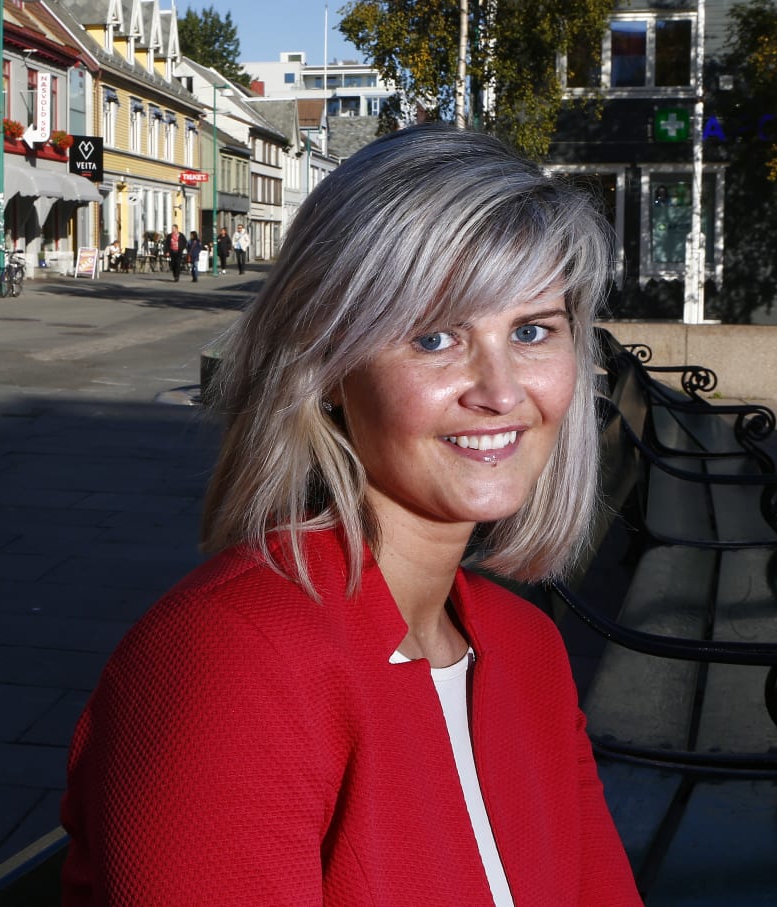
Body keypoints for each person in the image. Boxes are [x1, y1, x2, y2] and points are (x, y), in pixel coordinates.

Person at [60, 125, 640, 906]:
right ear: (329, 364)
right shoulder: (232, 659)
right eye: (435, 337)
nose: (501, 391)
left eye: (531, 330)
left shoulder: (526, 649)